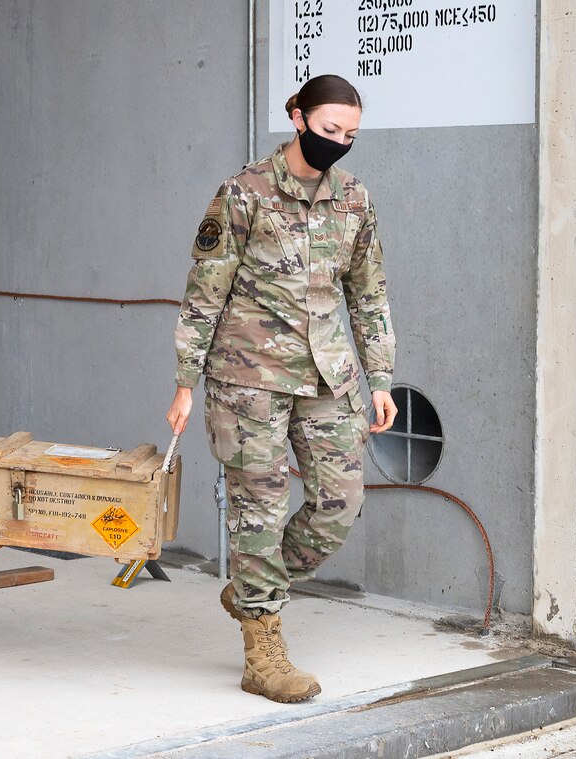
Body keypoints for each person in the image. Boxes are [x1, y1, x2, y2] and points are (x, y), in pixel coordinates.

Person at [166, 74, 397, 704]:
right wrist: (186, 380)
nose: (339, 143)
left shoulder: (355, 199)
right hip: (250, 379)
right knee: (259, 511)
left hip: (328, 376)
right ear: (298, 118)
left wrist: (380, 377)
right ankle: (263, 653)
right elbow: (205, 292)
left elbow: (368, 294)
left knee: (339, 504)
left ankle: (250, 590)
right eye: (329, 130)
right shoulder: (244, 193)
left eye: (350, 135)